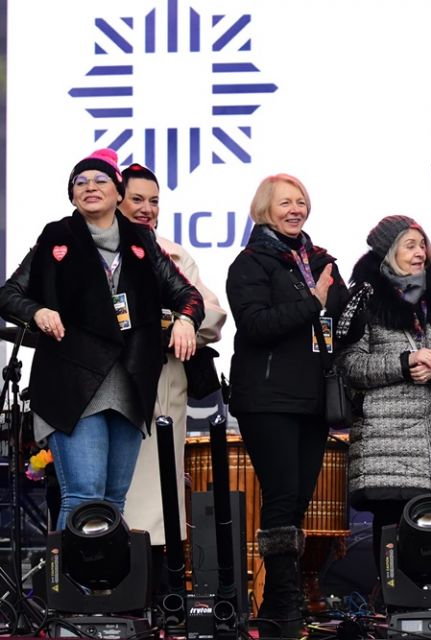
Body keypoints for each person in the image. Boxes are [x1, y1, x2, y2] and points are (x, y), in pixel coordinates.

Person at [0, 148, 204, 530]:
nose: (90, 187)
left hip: (130, 385)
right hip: (73, 383)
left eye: (100, 180)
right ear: (72, 195)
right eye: (80, 182)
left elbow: (188, 296)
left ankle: (108, 590)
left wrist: (186, 322)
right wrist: (37, 311)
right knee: (83, 498)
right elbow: (9, 295)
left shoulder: (140, 241)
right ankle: (72, 590)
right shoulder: (56, 236)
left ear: (118, 193)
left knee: (113, 502)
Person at [226, 174, 349, 638]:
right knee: (280, 500)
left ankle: (280, 603)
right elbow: (255, 326)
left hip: (314, 399)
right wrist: (312, 303)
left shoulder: (322, 261)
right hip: (268, 398)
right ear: (265, 209)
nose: (295, 209)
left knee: (297, 502)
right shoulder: (251, 263)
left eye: (301, 201)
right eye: (285, 203)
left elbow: (340, 321)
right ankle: (284, 604)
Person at [336, 215, 431, 577]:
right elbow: (351, 364)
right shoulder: (364, 299)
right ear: (387, 252)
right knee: (392, 529)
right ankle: (388, 605)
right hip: (385, 444)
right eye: (409, 245)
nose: (419, 253)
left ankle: (428, 608)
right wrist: (405, 362)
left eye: (422, 244)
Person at [118, 163, 228, 590]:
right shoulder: (94, 253)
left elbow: (213, 313)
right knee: (119, 493)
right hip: (114, 387)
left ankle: (162, 593)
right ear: (115, 199)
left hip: (165, 387)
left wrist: (174, 322)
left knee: (162, 495)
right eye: (137, 200)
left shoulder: (174, 253)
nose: (146, 209)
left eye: (154, 201)